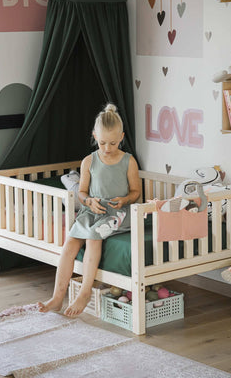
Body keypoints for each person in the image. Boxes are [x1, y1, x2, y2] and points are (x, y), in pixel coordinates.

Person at [38, 103, 141, 317]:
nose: (107, 148)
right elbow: (82, 192)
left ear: (121, 137)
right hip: (93, 211)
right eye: (102, 142)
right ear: (94, 135)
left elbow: (136, 192)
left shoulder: (128, 161)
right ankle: (58, 296)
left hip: (118, 214)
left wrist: (124, 200)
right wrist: (89, 202)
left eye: (112, 143)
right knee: (70, 243)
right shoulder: (89, 161)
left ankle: (85, 292)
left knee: (94, 236)